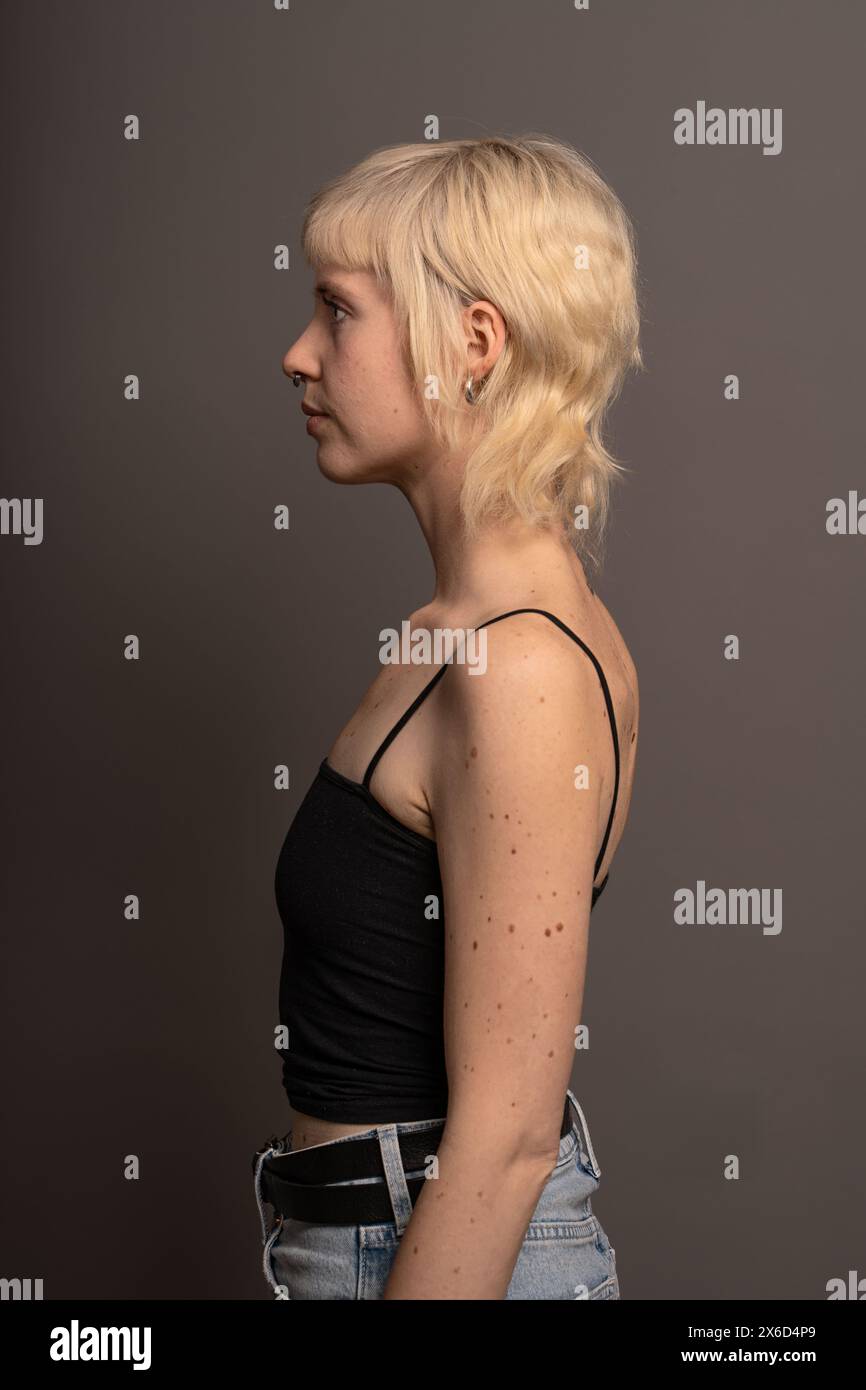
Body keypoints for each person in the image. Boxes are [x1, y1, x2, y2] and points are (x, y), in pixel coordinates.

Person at [253, 133, 643, 1299]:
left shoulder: (518, 663)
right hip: (367, 1237)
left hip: (433, 1253)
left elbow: (506, 1139)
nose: (297, 355)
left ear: (471, 345)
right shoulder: (460, 630)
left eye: (337, 312)